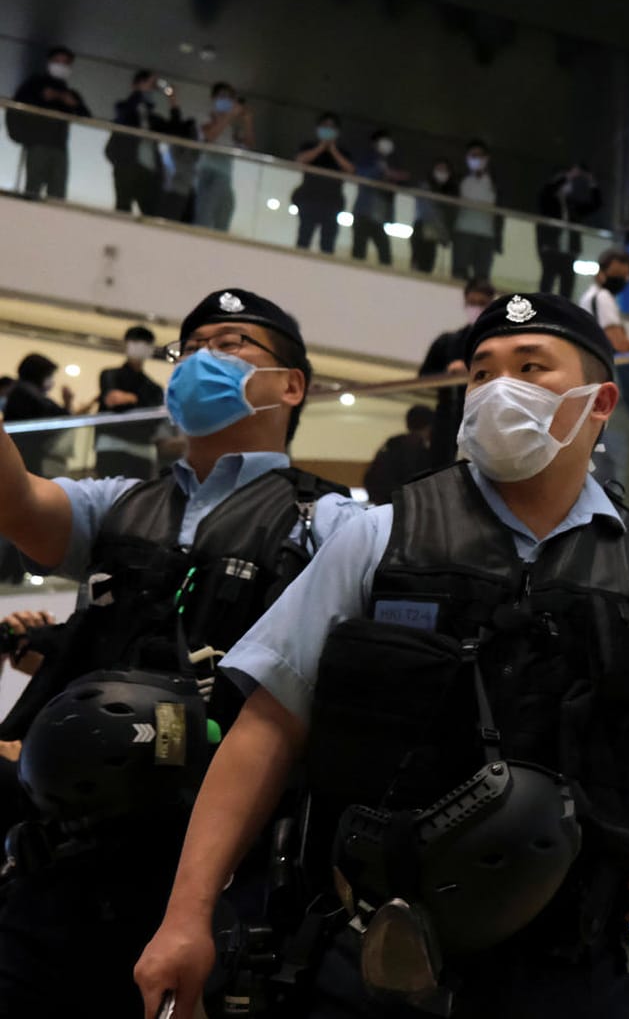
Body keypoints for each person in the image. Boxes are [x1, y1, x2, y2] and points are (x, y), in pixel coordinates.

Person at [135, 292, 629, 1019]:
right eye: (481, 372)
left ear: (599, 401)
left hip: (573, 971)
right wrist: (185, 914)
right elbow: (268, 723)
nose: (497, 387)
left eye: (530, 366)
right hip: (376, 964)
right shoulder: (379, 538)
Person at [0, 289, 360, 1017]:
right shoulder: (123, 502)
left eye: (231, 343)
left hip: (225, 872)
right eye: (189, 347)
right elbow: (22, 509)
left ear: (291, 385)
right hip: (69, 857)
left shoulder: (334, 524)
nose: (201, 359)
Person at [577, 248, 629, 508]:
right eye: (621, 273)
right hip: (604, 387)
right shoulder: (602, 297)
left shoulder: (586, 299)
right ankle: (628, 526)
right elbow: (617, 341)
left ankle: (597, 523)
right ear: (604, 271)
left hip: (588, 389)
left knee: (602, 463)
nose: (624, 280)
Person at [420, 278, 496, 468]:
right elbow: (424, 376)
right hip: (447, 418)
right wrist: (448, 373)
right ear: (465, 302)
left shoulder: (496, 344)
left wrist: (470, 371)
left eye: (481, 303)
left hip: (482, 418)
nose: (476, 308)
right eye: (472, 302)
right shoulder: (448, 342)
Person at [6, 45, 90, 199]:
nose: (61, 66)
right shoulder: (34, 84)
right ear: (49, 62)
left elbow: (86, 117)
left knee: (57, 192)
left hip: (60, 147)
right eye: (58, 61)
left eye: (66, 63)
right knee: (33, 188)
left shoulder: (70, 93)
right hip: (38, 144)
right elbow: (18, 106)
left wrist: (73, 104)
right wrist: (42, 98)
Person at [94, 325, 165, 480]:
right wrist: (138, 401)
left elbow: (153, 419)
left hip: (142, 450)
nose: (140, 346)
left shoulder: (154, 387)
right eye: (135, 341)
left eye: (145, 343)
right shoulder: (110, 374)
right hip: (111, 446)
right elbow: (113, 399)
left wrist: (131, 399)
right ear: (126, 344)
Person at [107, 70, 179, 216]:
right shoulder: (123, 107)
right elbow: (124, 114)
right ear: (136, 85)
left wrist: (172, 100)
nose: (151, 89)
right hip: (127, 168)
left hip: (150, 172)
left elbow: (175, 130)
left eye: (152, 86)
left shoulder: (154, 120)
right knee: (122, 210)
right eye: (148, 84)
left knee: (152, 213)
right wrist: (140, 91)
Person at [291, 113, 356, 255]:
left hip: (332, 202)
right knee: (304, 238)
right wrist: (321, 147)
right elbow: (299, 161)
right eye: (325, 126)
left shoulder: (343, 152)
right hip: (308, 199)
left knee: (327, 243)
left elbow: (350, 170)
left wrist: (332, 149)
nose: (328, 129)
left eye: (331, 127)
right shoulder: (309, 146)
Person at [195, 83, 254, 232]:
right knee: (205, 215)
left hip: (226, 175)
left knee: (224, 216)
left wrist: (247, 121)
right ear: (213, 98)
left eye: (230, 97)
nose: (226, 100)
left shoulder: (231, 127)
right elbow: (209, 136)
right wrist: (229, 116)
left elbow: (247, 146)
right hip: (209, 172)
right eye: (222, 96)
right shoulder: (205, 116)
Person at [537, 163, 602, 297]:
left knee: (567, 287)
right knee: (546, 284)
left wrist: (591, 183)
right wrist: (567, 177)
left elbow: (596, 205)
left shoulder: (573, 206)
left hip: (569, 252)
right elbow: (546, 191)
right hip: (551, 249)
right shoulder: (549, 203)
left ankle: (563, 313)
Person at [2, 353, 71, 477]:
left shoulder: (22, 391)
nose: (51, 380)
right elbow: (58, 416)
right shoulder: (27, 394)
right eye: (49, 375)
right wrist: (67, 402)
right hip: (26, 456)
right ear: (40, 374)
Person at [351, 128, 409, 266]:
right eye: (384, 141)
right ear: (374, 143)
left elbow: (405, 176)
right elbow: (360, 173)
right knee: (359, 251)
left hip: (380, 216)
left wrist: (390, 174)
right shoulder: (367, 158)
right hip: (363, 213)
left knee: (385, 255)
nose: (387, 144)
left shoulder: (392, 161)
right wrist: (381, 170)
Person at [361, 403, 436, 506]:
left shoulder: (392, 443)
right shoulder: (418, 447)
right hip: (402, 505)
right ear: (429, 426)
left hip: (384, 504)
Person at [453, 139, 502, 281]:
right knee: (459, 273)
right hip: (463, 231)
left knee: (482, 277)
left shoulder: (494, 183)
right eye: (472, 156)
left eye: (479, 156)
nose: (476, 159)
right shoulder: (460, 180)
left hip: (487, 235)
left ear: (486, 158)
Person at [411, 158, 458, 274]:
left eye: (444, 170)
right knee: (418, 264)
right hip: (422, 228)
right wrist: (444, 234)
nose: (442, 172)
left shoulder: (449, 193)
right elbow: (430, 212)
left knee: (427, 266)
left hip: (433, 234)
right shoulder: (425, 186)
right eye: (439, 169)